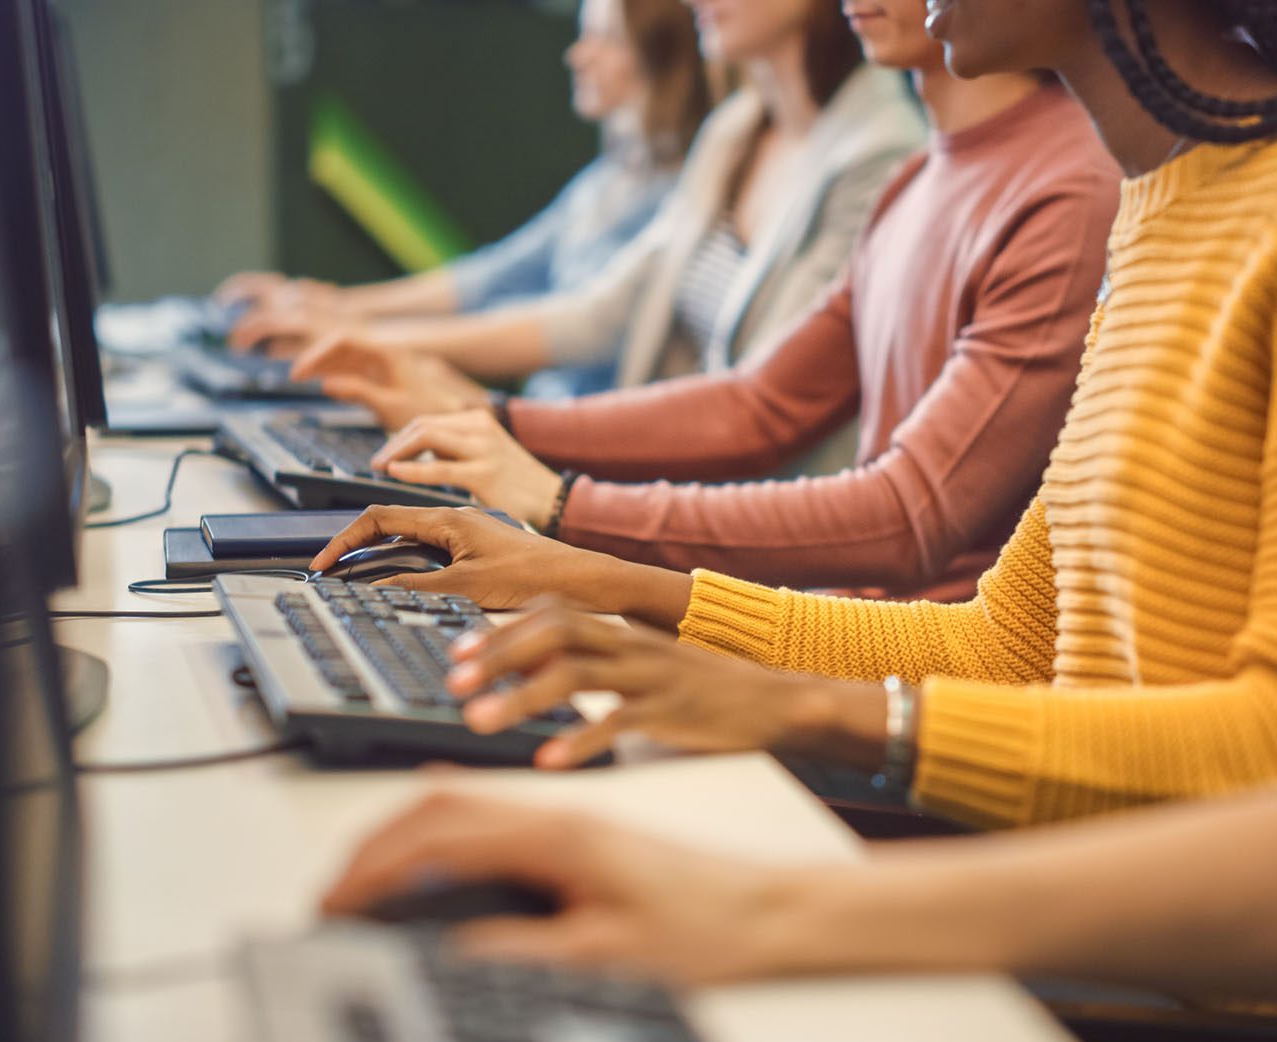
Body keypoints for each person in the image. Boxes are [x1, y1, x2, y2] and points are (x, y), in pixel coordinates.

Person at [306, 0, 1277, 828]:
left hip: (1234, 1010)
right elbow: (1007, 646)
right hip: (1091, 901)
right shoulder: (1162, 199)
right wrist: (611, 587)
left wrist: (788, 698)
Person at [323, 652, 1277, 1042]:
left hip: (1276, 1026)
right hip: (1131, 932)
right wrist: (664, 616)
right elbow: (1003, 622)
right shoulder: (1154, 196)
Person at [290, 0, 1118, 604]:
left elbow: (909, 517)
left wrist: (562, 504)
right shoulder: (921, 177)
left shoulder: (1064, 190)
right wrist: (499, 427)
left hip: (911, 669)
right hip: (843, 627)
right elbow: (760, 404)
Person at [280, 0, 929, 483]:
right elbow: (605, 308)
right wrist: (368, 342)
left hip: (752, 534)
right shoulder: (736, 128)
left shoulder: (878, 154)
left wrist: (494, 416)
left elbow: (758, 410)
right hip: (666, 488)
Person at [215, 0, 708, 400]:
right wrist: (331, 306)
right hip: (540, 418)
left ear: (659, 52)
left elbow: (576, 325)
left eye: (605, 38)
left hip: (579, 446)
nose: (578, 55)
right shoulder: (606, 182)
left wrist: (358, 338)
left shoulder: (678, 194)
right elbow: (490, 277)